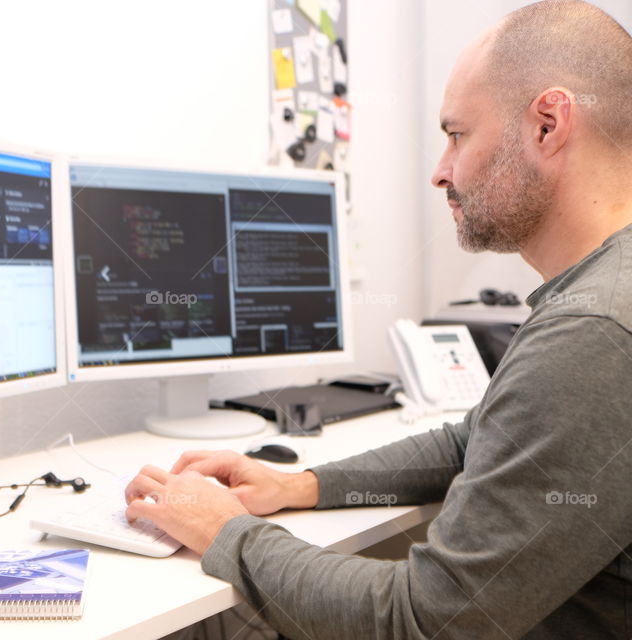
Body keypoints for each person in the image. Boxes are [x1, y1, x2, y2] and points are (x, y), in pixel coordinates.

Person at [125, 1, 632, 638]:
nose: (440, 171)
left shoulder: (592, 331)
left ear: (547, 124)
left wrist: (225, 531)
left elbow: (428, 620)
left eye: (457, 135)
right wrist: (300, 485)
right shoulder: (598, 297)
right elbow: (469, 443)